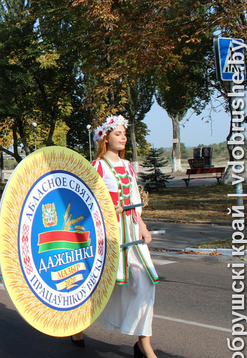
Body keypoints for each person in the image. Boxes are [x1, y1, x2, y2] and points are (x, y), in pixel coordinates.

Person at [72, 115, 159, 358]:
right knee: (97, 285)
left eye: (123, 133)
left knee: (146, 284)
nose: (122, 137)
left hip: (131, 232)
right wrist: (109, 210)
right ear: (105, 137)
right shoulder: (97, 166)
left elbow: (133, 199)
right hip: (108, 235)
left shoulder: (128, 165)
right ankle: (78, 325)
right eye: (117, 133)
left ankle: (144, 343)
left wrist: (142, 224)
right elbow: (87, 201)